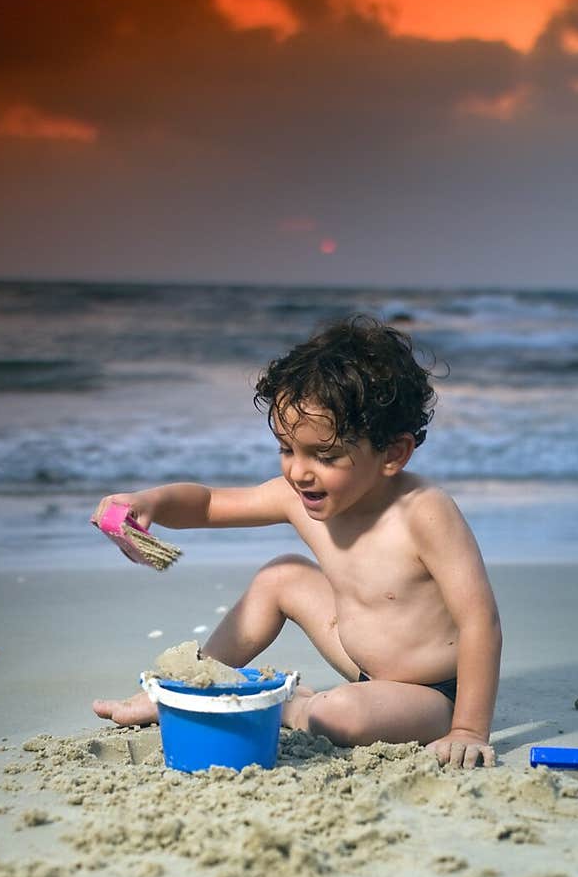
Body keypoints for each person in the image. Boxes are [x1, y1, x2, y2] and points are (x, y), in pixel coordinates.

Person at [92, 315, 501, 768]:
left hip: (430, 691)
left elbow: (479, 620)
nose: (299, 471)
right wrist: (149, 502)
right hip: (358, 657)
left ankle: (293, 705)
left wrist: (468, 729)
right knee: (282, 575)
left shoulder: (423, 512)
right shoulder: (299, 494)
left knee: (336, 715)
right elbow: (208, 505)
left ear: (393, 453)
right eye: (288, 448)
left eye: (325, 456)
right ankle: (191, 683)